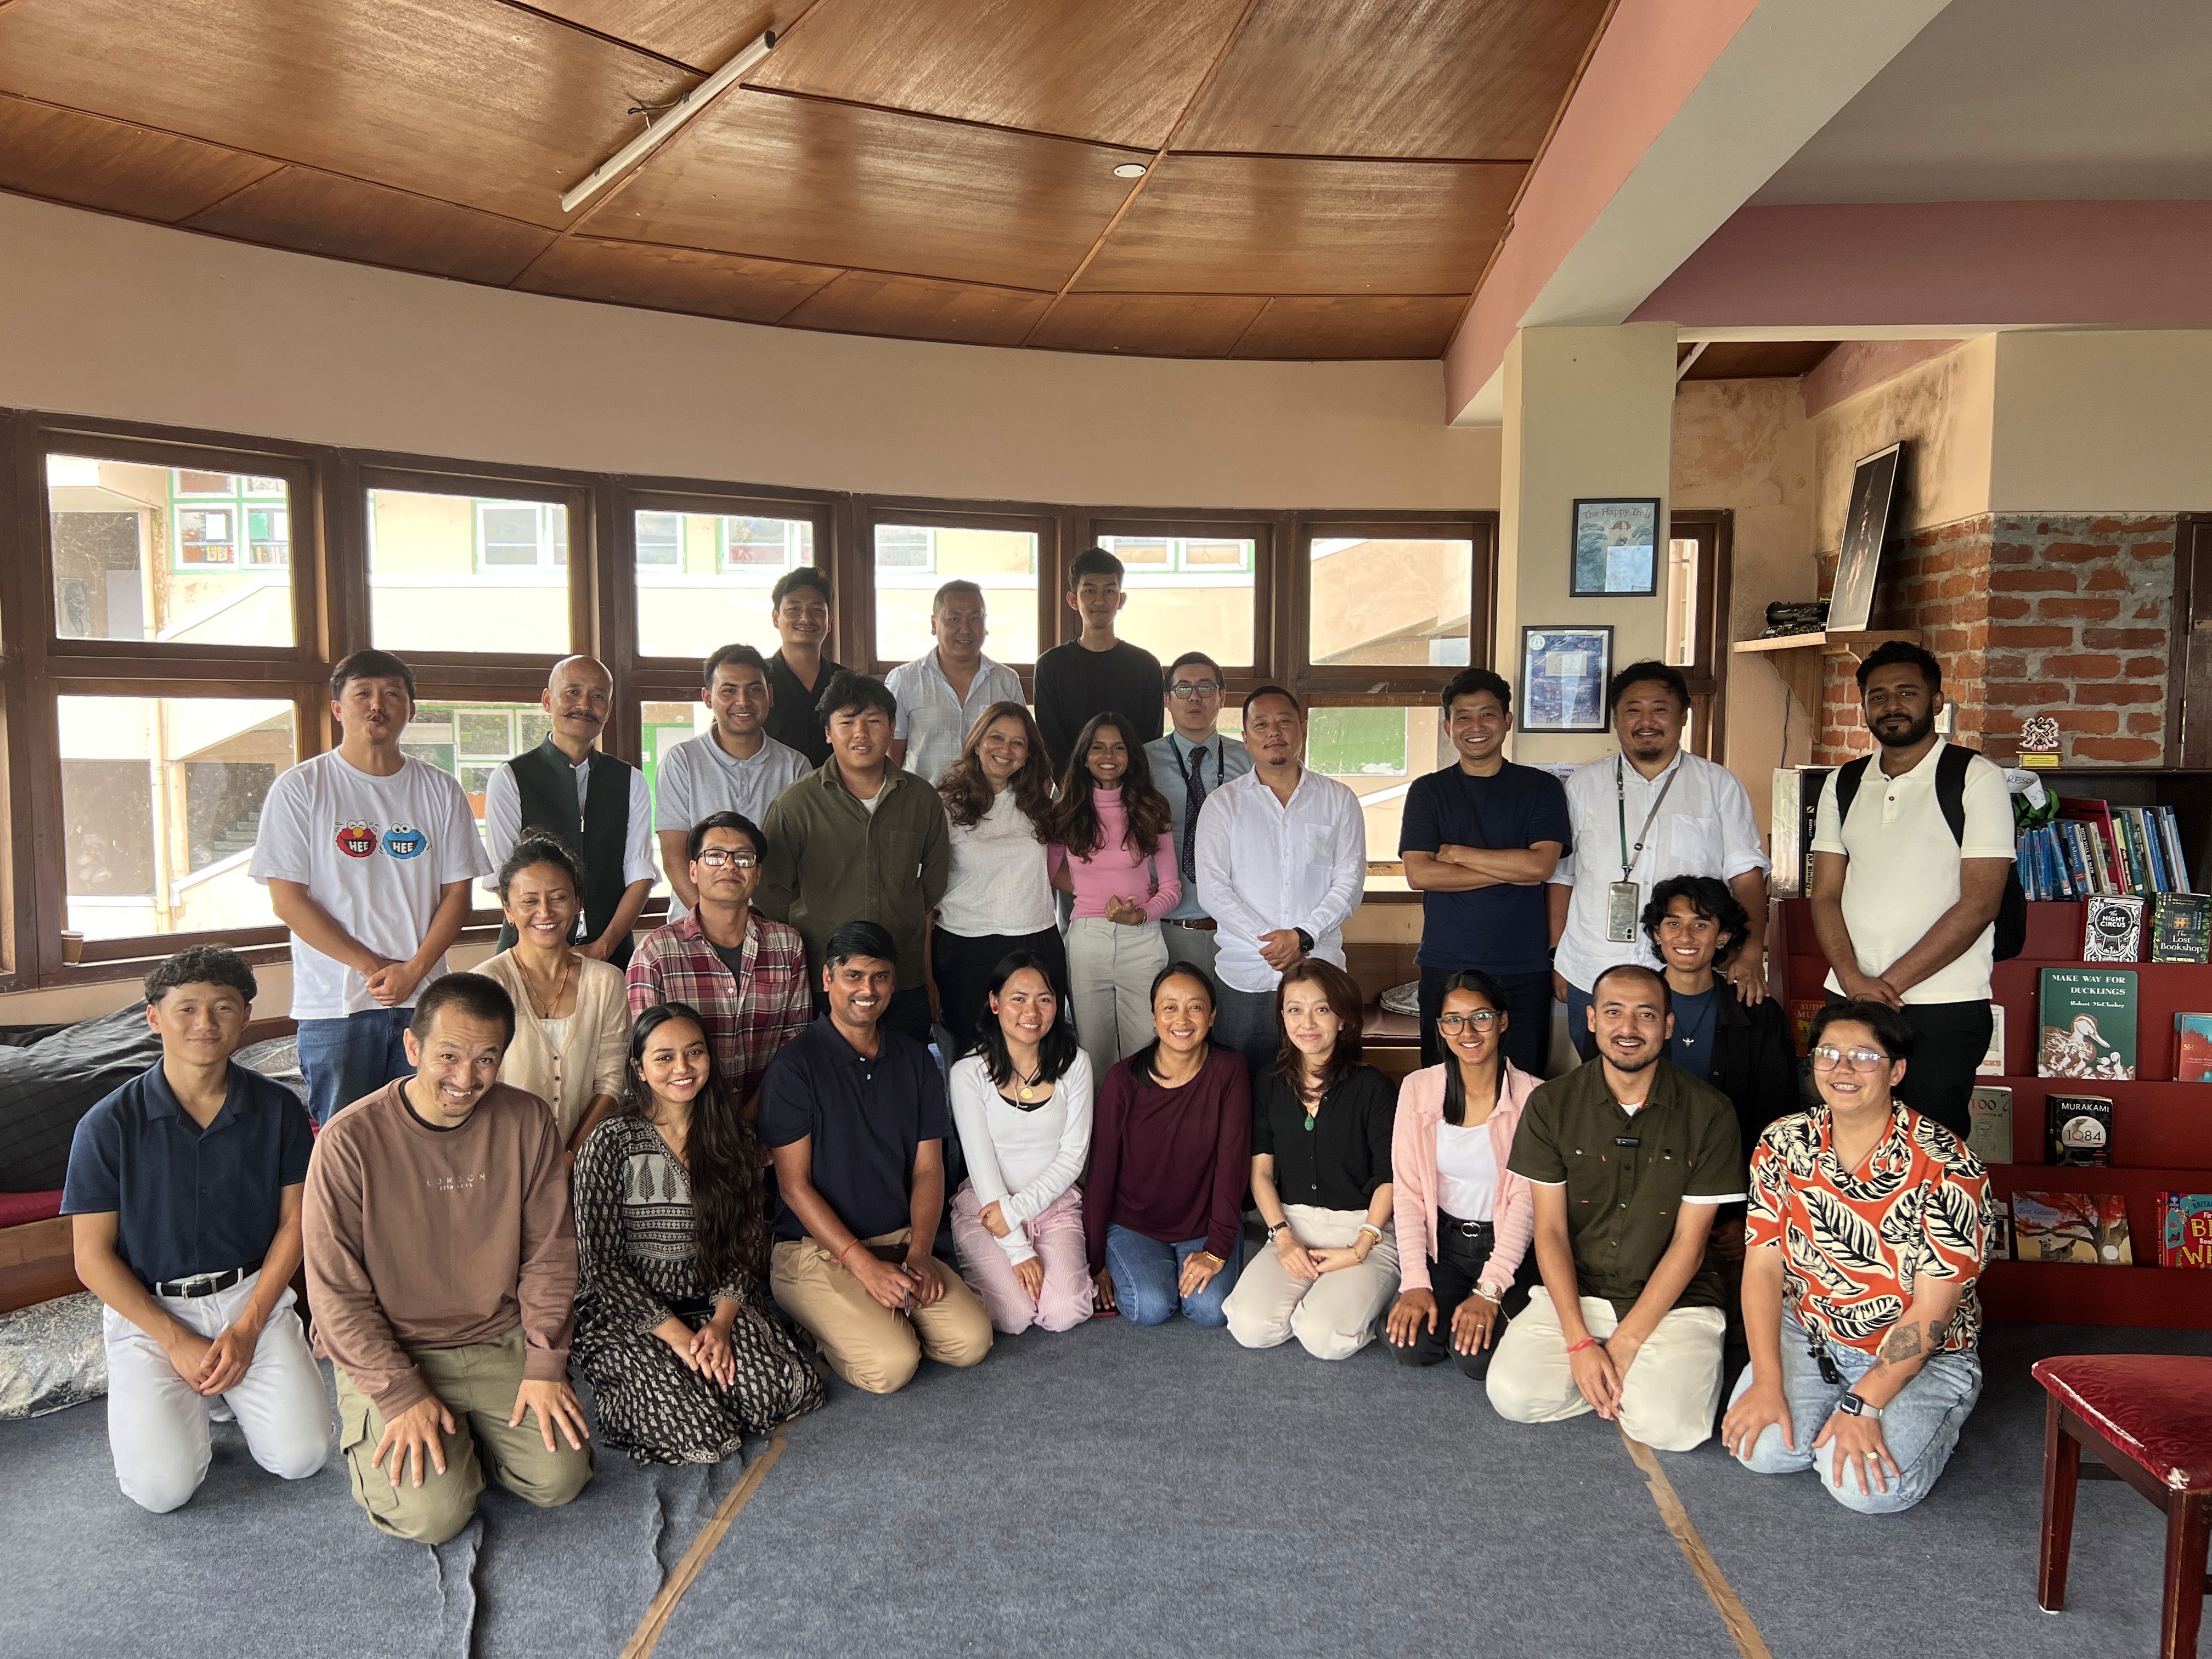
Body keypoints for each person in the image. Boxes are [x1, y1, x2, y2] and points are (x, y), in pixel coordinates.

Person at [303, 974, 593, 1544]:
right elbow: (335, 1293)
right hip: (397, 1346)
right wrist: (398, 1393)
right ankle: (440, 1439)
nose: (467, 1078)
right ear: (413, 1049)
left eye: (487, 1059)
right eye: (449, 1055)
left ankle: (469, 1435)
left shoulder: (528, 1120)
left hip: (498, 1338)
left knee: (560, 1480)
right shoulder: (348, 1140)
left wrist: (545, 1363)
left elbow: (550, 1255)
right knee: (434, 1519)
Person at [61, 947, 327, 1514]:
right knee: (162, 1492)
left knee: (302, 1457)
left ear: (246, 1017)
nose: (205, 1024)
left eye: (223, 1008)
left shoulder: (279, 1110)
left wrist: (251, 1325)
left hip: (249, 1297)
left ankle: (228, 1388)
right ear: (154, 1018)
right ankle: (198, 1396)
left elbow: (295, 1225)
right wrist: (177, 1341)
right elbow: (92, 1258)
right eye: (186, 1009)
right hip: (151, 1312)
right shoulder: (107, 1125)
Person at [1722, 1001, 1992, 1513]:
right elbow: (1761, 1266)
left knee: (1866, 1490)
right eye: (1829, 1053)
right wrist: (1767, 1380)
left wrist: (1865, 1403)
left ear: (1897, 1071)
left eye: (1865, 1056)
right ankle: (1838, 1411)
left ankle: (1934, 1413)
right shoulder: (1783, 1142)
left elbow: (1932, 1312)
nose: (1843, 1069)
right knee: (1760, 1450)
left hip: (1922, 1353)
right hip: (1812, 1335)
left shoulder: (1948, 1164)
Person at [1486, 964, 1745, 1453]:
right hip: (1579, 1291)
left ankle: (1625, 1377)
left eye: (1646, 1015)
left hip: (1675, 1300)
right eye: (1614, 1013)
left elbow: (1690, 1245)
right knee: (1512, 1397)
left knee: (1672, 1430)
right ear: (1591, 1020)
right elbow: (1552, 1232)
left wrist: (1624, 1345)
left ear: (1668, 1026)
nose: (1628, 1029)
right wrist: (1582, 1344)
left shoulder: (1710, 1111)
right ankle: (1610, 1382)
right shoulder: (1550, 1104)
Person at [572, 1003, 825, 1465]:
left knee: (785, 1392)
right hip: (629, 1312)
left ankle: (702, 1378)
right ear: (639, 1068)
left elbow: (747, 1243)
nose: (683, 1069)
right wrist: (676, 1338)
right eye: (664, 1057)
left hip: (713, 1299)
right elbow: (602, 1267)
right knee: (703, 1437)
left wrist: (722, 1325)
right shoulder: (609, 1143)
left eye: (694, 1053)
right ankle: (644, 1389)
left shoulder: (732, 1138)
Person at [251, 648, 489, 1124]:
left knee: (427, 1135)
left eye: (392, 695)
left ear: (411, 710)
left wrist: (414, 969)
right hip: (334, 1007)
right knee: (344, 1143)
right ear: (338, 708)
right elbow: (288, 900)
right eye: (363, 694)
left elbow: (457, 896)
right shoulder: (303, 788)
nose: (377, 705)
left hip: (424, 1002)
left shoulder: (440, 790)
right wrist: (376, 968)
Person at [758, 922, 993, 1393]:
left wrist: (922, 1254)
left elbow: (928, 1169)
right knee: (891, 1366)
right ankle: (818, 1325)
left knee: (972, 1341)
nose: (868, 989)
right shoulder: (794, 1068)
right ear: (827, 980)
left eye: (881, 977)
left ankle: (875, 1318)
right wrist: (864, 1268)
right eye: (854, 976)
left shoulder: (915, 1060)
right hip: (814, 1251)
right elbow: (793, 1188)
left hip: (901, 1240)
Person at [1808, 640, 2014, 1141]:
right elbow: (1825, 895)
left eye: (1907, 692)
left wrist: (1888, 986)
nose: (1892, 705)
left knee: (1932, 1148)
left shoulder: (1974, 777)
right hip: (1849, 1000)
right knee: (1842, 1139)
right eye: (1877, 696)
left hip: (1944, 1006)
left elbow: (1981, 903)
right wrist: (1854, 980)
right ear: (1864, 707)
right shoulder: (1844, 782)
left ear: (1937, 701)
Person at [1548, 661, 1771, 1052]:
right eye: (1633, 710)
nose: (1646, 721)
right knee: (1603, 1092)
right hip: (1591, 970)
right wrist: (1557, 956)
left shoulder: (1717, 786)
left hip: (1687, 975)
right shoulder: (1582, 786)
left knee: (1687, 1089)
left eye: (1660, 709)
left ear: (1683, 717)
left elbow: (1747, 877)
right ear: (1617, 720)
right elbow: (1562, 877)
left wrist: (1750, 954)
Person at [758, 672, 950, 1046]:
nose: (860, 733)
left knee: (900, 1082)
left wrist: (925, 970)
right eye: (846, 722)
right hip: (823, 982)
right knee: (830, 1091)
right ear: (829, 732)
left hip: (902, 978)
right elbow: (771, 894)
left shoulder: (922, 801)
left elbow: (932, 886)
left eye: (874, 721)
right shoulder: (796, 805)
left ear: (893, 727)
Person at [1400, 667, 1571, 1077]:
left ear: (1508, 721)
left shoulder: (1541, 789)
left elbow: (1542, 865)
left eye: (1488, 714)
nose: (1476, 727)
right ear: (1448, 727)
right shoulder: (1428, 791)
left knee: (1522, 1085)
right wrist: (1515, 869)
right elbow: (1421, 875)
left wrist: (1459, 854)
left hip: (1524, 967)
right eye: (1463, 717)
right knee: (1444, 1086)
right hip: (1446, 964)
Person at [1223, 961, 1397, 1361]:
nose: (1308, 1022)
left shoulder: (1374, 1087)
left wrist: (1359, 1249)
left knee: (1324, 1338)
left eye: (1321, 1009)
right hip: (1292, 1227)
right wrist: (1283, 1238)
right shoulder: (1268, 1082)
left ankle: (1374, 1292)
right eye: (1294, 1009)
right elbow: (1261, 1173)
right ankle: (1328, 1295)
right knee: (1249, 1327)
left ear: (1343, 1019)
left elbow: (1389, 1178)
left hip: (1363, 1231)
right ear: (1282, 1017)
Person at [1192, 686, 1367, 1077]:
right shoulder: (1223, 805)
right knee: (1243, 1095)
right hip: (1246, 976)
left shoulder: (1339, 800)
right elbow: (1214, 890)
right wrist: (1273, 941)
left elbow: (1350, 883)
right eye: (1262, 724)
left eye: (1285, 721)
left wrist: (1302, 936)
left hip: (1321, 974)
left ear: (1302, 728)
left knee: (1323, 1088)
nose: (1275, 732)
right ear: (1246, 738)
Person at [1379, 970, 1542, 1380]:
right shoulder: (1418, 1088)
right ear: (1441, 1028)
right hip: (1447, 1244)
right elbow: (1409, 1192)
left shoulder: (1534, 1097)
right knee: (1409, 1345)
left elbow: (1527, 1203)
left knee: (1476, 1360)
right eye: (1454, 1020)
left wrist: (1490, 1289)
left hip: (1509, 1246)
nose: (1467, 1031)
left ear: (1502, 1021)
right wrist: (1415, 1280)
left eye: (1481, 1017)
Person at [1085, 963, 1250, 1327]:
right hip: (1134, 1225)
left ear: (1212, 1016)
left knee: (1210, 1310)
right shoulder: (1122, 1080)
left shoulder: (1229, 1070)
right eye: (1170, 1006)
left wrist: (1217, 1249)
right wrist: (1094, 1262)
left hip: (1204, 1223)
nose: (1183, 1019)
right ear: (1154, 1016)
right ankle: (1158, 1273)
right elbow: (1101, 1174)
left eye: (1195, 1007)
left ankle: (1189, 1267)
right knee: (1151, 1307)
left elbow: (1232, 1164)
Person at [946, 953, 1096, 1335]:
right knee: (1012, 1317)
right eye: (1019, 998)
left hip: (1054, 1207)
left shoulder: (1075, 1064)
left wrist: (1017, 1212)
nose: (1032, 1011)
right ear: (995, 1003)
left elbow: (1073, 1158)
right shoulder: (968, 1072)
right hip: (987, 1208)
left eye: (1044, 999)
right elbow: (981, 1166)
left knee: (1064, 1313)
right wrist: (1017, 1248)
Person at [625, 811, 812, 1113]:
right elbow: (648, 1058)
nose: (729, 865)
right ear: (693, 870)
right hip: (683, 1130)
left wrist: (746, 1121)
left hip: (766, 1122)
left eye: (743, 857)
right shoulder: (655, 954)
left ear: (759, 873)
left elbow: (794, 1046)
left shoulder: (787, 946)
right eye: (714, 856)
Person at [484, 655, 656, 969]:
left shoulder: (630, 780)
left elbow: (640, 873)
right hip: (528, 957)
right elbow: (503, 878)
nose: (585, 704)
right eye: (573, 692)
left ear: (609, 709)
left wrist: (604, 947)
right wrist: (551, 948)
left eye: (598, 696)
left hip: (612, 952)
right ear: (548, 701)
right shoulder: (511, 777)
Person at [475, 833, 632, 1154]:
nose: (545, 912)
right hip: (501, 1158)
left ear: (577, 903)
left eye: (558, 898)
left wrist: (571, 1157)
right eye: (530, 901)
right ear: (508, 910)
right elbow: (476, 1083)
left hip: (587, 1160)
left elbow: (611, 1082)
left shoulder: (606, 982)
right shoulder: (485, 984)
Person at [1049, 711, 1181, 1082]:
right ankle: (1102, 1139)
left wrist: (1139, 914)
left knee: (1146, 1051)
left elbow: (1171, 888)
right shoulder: (1066, 811)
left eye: (1119, 748)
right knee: (1095, 1055)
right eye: (1098, 747)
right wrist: (1091, 890)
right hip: (1086, 941)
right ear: (1084, 755)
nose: (1108, 755)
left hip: (1143, 939)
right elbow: (1049, 871)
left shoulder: (1152, 808)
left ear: (1131, 756)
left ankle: (1142, 1137)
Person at [933, 702, 1065, 1057]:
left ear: (1028, 753)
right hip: (965, 946)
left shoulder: (1041, 803)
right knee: (972, 1061)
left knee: (1040, 1054)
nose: (1006, 750)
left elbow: (1063, 871)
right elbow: (925, 890)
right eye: (996, 738)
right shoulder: (946, 803)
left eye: (1018, 743)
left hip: (1036, 940)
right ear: (977, 742)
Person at [653, 645, 810, 926]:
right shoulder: (682, 761)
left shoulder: (796, 766)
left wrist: (761, 928)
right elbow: (675, 857)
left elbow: (804, 861)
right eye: (728, 690)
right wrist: (717, 924)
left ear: (770, 696)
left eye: (754, 689)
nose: (743, 701)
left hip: (774, 931)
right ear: (708, 698)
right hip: (695, 928)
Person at [1641, 875, 1797, 1153]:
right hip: (1645, 1164)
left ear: (1723, 937)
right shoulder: (1626, 1009)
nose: (1685, 936)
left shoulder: (1759, 1013)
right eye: (1673, 924)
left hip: (1732, 1165)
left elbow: (1778, 1113)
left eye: (1700, 925)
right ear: (1657, 933)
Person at [1144, 651, 1254, 978]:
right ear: (1167, 699)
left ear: (1223, 697)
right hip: (1163, 927)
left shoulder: (1250, 761)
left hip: (1237, 927)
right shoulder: (1140, 763)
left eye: (1206, 688)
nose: (1194, 697)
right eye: (1183, 688)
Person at [1032, 546, 1164, 772]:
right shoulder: (1050, 666)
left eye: (1110, 591)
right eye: (1090, 591)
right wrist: (1077, 794)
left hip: (1131, 796)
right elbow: (1051, 745)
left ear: (1121, 600)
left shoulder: (1146, 666)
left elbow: (1149, 743)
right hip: (1071, 796)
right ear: (1073, 599)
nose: (1100, 601)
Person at [885, 580, 1024, 787]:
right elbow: (891, 760)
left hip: (991, 810)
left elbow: (1020, 751)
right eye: (954, 619)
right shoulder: (904, 680)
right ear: (934, 624)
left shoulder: (1007, 680)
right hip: (926, 809)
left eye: (975, 618)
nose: (965, 629)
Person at [760, 567, 844, 768]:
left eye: (817, 610)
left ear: (829, 621)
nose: (806, 618)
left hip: (836, 796)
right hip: (772, 795)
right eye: (794, 609)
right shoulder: (757, 681)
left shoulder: (846, 683)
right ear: (776, 618)